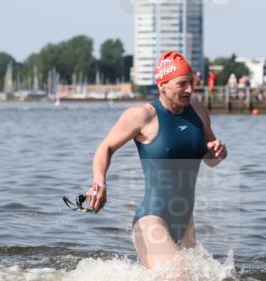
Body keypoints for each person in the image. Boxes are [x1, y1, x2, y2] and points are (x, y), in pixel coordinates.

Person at [86, 51, 227, 269]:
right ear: (162, 85)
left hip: (185, 222)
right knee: (177, 280)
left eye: (192, 82)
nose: (190, 89)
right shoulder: (143, 116)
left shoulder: (198, 112)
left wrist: (215, 153)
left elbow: (210, 160)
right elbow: (105, 148)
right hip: (151, 220)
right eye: (182, 84)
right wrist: (99, 183)